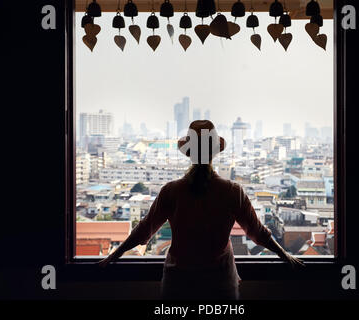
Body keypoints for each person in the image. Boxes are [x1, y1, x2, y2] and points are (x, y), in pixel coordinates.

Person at [98, 120, 304, 299]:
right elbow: (258, 233)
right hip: (220, 282)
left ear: (189, 153)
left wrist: (114, 255)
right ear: (214, 153)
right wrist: (285, 255)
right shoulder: (232, 191)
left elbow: (144, 231)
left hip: (179, 282)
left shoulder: (172, 191)